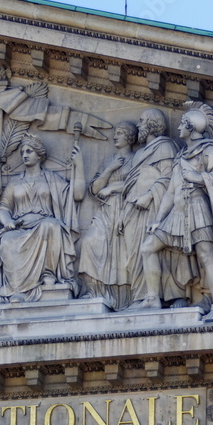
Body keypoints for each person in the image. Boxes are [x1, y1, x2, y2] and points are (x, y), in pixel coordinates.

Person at [139, 103, 213, 323]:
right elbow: (170, 192)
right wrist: (158, 220)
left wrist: (199, 178)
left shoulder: (210, 151)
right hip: (177, 212)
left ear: (191, 128)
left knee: (206, 255)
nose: (178, 129)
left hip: (199, 209)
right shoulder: (181, 155)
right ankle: (153, 298)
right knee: (147, 247)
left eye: (182, 125)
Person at [0, 132, 84, 302]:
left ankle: (48, 273)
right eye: (22, 152)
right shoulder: (15, 182)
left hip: (43, 225)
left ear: (39, 155)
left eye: (29, 151)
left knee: (51, 226)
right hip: (20, 227)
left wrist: (80, 165)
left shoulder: (52, 179)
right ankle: (17, 289)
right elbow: (2, 207)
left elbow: (77, 195)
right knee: (7, 240)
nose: (24, 155)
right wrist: (8, 221)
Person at [119, 109, 181, 306]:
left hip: (154, 205)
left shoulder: (165, 147)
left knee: (158, 251)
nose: (138, 125)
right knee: (135, 253)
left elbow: (169, 178)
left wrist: (148, 195)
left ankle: (168, 297)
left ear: (153, 124)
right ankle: (141, 297)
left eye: (141, 121)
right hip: (133, 208)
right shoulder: (140, 153)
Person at [78, 121, 138, 310]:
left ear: (130, 137)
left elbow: (139, 184)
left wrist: (112, 187)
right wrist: (109, 169)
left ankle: (126, 298)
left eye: (120, 132)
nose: (115, 136)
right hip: (105, 211)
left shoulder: (138, 159)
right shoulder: (108, 160)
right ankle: (93, 291)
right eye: (115, 132)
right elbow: (95, 189)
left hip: (127, 211)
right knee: (89, 242)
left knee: (124, 254)